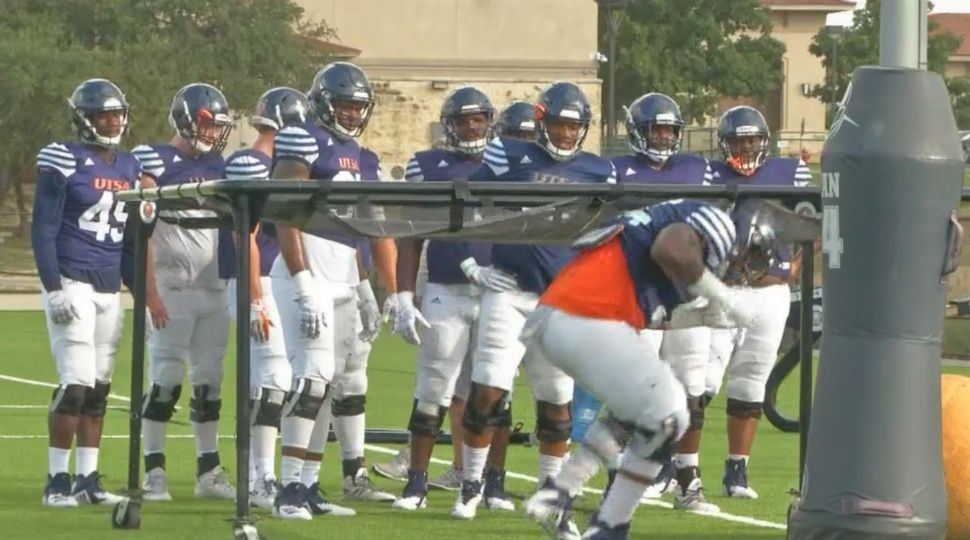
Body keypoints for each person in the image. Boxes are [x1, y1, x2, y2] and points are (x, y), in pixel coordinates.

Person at [523, 198, 784, 539]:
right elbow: (670, 249)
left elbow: (651, 309)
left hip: (566, 320)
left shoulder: (675, 248)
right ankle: (608, 527)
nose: (744, 270)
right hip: (582, 317)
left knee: (641, 415)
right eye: (747, 259)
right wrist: (723, 297)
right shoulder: (708, 222)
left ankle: (560, 493)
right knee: (670, 413)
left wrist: (704, 313)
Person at [451, 82, 614, 538]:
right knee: (488, 391)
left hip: (562, 299)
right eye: (559, 124)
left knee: (556, 404)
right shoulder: (509, 156)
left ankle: (551, 494)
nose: (566, 134)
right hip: (512, 291)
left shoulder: (600, 171)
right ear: (541, 123)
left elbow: (617, 230)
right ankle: (470, 484)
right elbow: (465, 200)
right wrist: (470, 261)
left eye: (574, 126)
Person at [33, 78, 137, 507]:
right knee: (75, 384)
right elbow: (43, 227)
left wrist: (143, 292)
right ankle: (56, 481)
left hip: (109, 285)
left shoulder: (129, 166)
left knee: (97, 389)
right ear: (85, 119)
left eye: (117, 114)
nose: (112, 122)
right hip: (72, 279)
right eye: (103, 115)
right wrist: (53, 285)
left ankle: (88, 480)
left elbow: (131, 239)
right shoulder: (64, 158)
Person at [702, 105, 812, 501]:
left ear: (763, 142)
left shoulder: (789, 172)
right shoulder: (709, 174)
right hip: (723, 288)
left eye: (752, 139)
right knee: (703, 381)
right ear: (724, 143)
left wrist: (797, 263)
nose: (746, 147)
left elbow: (817, 218)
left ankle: (736, 471)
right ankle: (680, 467)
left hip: (771, 292)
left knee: (751, 382)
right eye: (738, 140)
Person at [133, 83, 235, 501]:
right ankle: (154, 471)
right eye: (207, 125)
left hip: (212, 287)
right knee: (166, 381)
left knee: (210, 383)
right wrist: (150, 294)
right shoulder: (154, 159)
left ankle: (207, 472)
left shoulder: (220, 167)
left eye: (216, 127)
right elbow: (141, 232)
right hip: (171, 286)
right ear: (185, 118)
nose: (212, 134)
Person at [217, 87, 309, 509]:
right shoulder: (250, 163)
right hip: (255, 280)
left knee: (271, 379)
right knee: (272, 378)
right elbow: (245, 234)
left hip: (275, 280)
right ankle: (262, 478)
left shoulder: (278, 165)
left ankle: (262, 475)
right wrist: (254, 297)